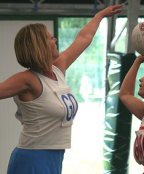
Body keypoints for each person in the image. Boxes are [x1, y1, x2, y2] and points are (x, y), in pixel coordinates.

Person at [0, 4, 123, 174]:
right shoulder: (27, 79)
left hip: (55, 156)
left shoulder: (57, 69)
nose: (55, 40)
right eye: (51, 38)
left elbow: (83, 38)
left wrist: (99, 16)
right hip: (32, 158)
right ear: (39, 46)